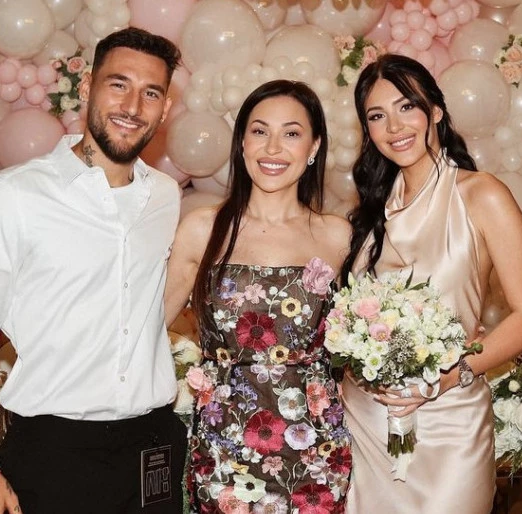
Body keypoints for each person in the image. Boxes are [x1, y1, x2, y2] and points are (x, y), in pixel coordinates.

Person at [0, 27, 187, 514]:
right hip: (55, 455)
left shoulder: (165, 196)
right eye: (119, 84)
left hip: (152, 446)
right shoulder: (15, 196)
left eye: (150, 93)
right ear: (87, 87)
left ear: (165, 109)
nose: (132, 106)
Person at [340, 54, 522, 514]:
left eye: (406, 107)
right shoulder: (371, 213)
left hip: (450, 423)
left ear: (435, 110)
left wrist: (449, 376)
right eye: (377, 116)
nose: (394, 126)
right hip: (366, 428)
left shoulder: (482, 194)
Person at [165, 80, 353, 512]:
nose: (273, 148)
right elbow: (147, 327)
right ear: (242, 143)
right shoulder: (202, 229)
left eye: (291, 133)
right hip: (224, 448)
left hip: (316, 451)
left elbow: (359, 347)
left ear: (314, 147)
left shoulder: (338, 236)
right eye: (259, 131)